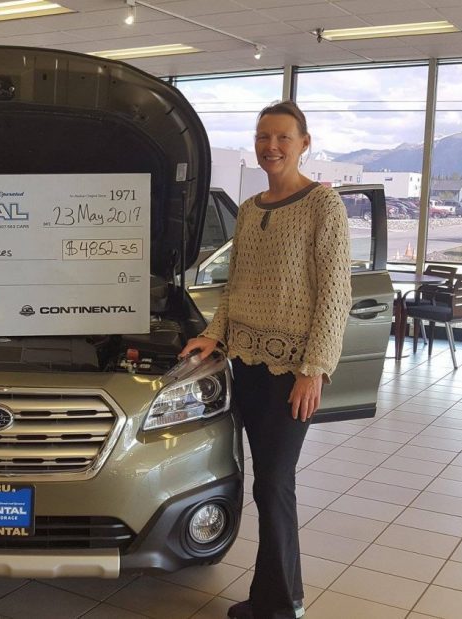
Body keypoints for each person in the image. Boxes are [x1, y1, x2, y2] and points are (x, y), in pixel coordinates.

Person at [179, 101, 351, 619]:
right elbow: (237, 286)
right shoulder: (251, 208)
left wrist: (313, 368)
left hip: (290, 374)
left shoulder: (324, 205)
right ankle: (274, 597)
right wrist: (213, 336)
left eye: (282, 137)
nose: (270, 147)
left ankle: (281, 606)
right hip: (245, 366)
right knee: (263, 481)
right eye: (262, 137)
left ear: (304, 143)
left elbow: (335, 293)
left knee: (275, 482)